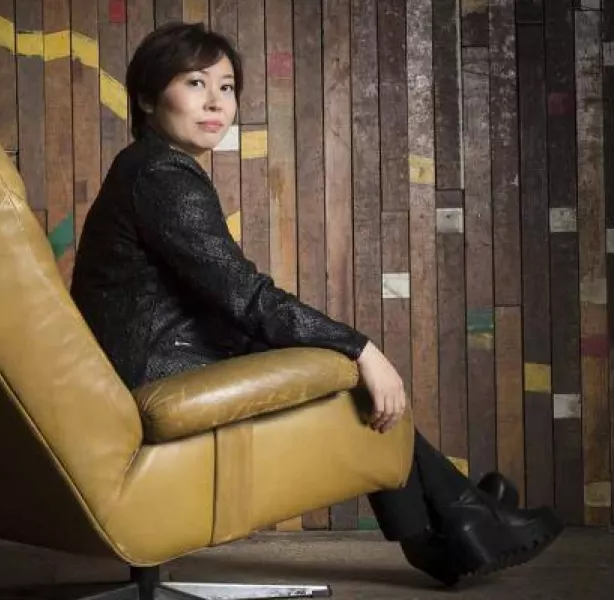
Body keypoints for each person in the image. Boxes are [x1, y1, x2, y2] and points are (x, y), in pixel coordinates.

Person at [68, 21, 563, 587]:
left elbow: (222, 300)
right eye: (195, 83)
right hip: (155, 369)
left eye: (226, 87)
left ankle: (454, 518)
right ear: (147, 98)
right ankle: (454, 522)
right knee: (347, 371)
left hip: (145, 359)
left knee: (332, 361)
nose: (216, 102)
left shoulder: (146, 165)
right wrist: (361, 347)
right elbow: (246, 296)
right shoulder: (162, 175)